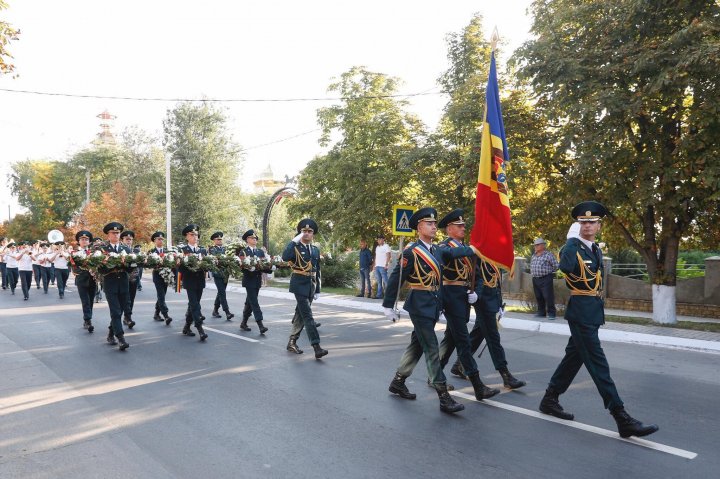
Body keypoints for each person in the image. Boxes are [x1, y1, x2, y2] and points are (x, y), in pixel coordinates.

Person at [539, 201, 658, 438]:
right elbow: (566, 267)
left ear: (599, 225)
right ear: (578, 225)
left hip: (592, 311)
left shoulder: (594, 249)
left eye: (592, 222)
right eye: (583, 222)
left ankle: (549, 399)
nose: (587, 226)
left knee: (574, 357)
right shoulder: (572, 247)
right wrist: (571, 241)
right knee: (598, 365)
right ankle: (621, 416)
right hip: (581, 313)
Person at [382, 207, 479, 414]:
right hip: (419, 305)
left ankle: (398, 381)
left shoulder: (437, 250)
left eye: (435, 224)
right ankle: (444, 397)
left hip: (433, 304)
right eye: (429, 223)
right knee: (432, 348)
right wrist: (388, 305)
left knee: (417, 344)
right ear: (419, 227)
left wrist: (478, 247)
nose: (434, 227)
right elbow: (396, 278)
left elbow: (457, 252)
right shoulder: (411, 252)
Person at [434, 209, 503, 399]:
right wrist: (473, 249)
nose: (463, 228)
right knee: (463, 342)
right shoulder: (445, 246)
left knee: (451, 339)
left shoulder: (466, 249)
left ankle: (434, 375)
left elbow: (477, 276)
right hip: (451, 298)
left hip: (463, 298)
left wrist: (475, 293)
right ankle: (478, 385)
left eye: (464, 225)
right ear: (449, 229)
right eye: (459, 226)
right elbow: (448, 255)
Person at [444, 251, 527, 390]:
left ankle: (459, 365)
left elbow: (496, 282)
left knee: (478, 334)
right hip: (482, 301)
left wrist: (500, 303)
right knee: (493, 338)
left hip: (491, 301)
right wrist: (477, 295)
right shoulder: (478, 255)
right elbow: (476, 278)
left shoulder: (492, 256)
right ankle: (505, 375)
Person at [283, 218, 327, 359]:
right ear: (300, 233)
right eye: (304, 231)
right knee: (308, 316)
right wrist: (293, 241)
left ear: (313, 234)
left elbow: (317, 269)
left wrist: (318, 289)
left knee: (301, 314)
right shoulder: (295, 247)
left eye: (310, 231)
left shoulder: (314, 250)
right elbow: (285, 257)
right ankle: (316, 347)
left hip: (311, 285)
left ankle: (292, 342)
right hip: (299, 284)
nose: (307, 234)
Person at [100, 222, 131, 351]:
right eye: (113, 233)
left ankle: (111, 333)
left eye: (118, 233)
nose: (116, 235)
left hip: (123, 283)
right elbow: (100, 269)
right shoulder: (103, 250)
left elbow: (130, 269)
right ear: (108, 235)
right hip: (110, 284)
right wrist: (109, 265)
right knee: (115, 311)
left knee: (122, 310)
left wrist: (127, 265)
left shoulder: (127, 249)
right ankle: (121, 338)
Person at [178, 224, 208, 341]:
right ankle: (200, 329)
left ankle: (186, 327)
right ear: (187, 237)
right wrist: (189, 266)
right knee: (195, 305)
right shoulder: (183, 250)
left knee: (193, 304)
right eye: (192, 235)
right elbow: (179, 268)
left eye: (196, 235)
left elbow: (207, 266)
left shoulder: (202, 250)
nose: (195, 237)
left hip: (200, 280)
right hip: (189, 281)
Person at [239, 229, 268, 334]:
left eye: (255, 238)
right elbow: (241, 266)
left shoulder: (260, 252)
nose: (254, 239)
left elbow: (264, 265)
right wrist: (248, 268)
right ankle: (260, 325)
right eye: (252, 238)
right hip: (249, 280)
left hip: (257, 280)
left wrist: (270, 268)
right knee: (254, 302)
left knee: (250, 302)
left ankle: (243, 322)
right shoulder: (243, 252)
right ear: (247, 239)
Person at [73, 231, 96, 332]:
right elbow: (73, 267)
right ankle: (88, 320)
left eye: (86, 239)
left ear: (90, 241)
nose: (84, 241)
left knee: (91, 300)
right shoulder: (75, 253)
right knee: (85, 300)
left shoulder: (94, 253)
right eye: (82, 239)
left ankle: (87, 319)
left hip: (93, 279)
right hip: (81, 279)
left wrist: (95, 271)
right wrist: (84, 270)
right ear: (79, 241)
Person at [530, 237, 559, 319]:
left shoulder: (548, 255)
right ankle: (541, 312)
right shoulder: (534, 255)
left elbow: (556, 266)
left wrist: (548, 272)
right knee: (538, 296)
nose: (535, 246)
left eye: (537, 245)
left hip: (546, 278)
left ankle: (551, 314)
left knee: (548, 296)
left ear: (543, 245)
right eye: (535, 245)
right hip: (535, 278)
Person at [209, 231, 234, 321]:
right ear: (214, 241)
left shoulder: (226, 249)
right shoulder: (212, 249)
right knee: (222, 293)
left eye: (220, 239)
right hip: (217, 273)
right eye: (218, 239)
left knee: (220, 292)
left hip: (225, 274)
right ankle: (227, 312)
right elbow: (216, 259)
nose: (220, 241)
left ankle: (215, 310)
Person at [148, 231, 173, 325]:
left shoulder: (167, 251)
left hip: (166, 276)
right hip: (157, 276)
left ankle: (156, 313)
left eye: (162, 239)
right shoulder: (151, 252)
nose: (161, 241)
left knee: (162, 295)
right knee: (161, 295)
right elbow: (148, 264)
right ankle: (166, 315)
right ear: (155, 240)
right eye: (159, 239)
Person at [120, 230, 139, 329]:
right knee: (125, 299)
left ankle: (127, 317)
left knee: (131, 298)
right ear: (122, 239)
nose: (129, 241)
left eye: (131, 239)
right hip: (124, 278)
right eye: (127, 239)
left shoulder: (135, 251)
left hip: (134, 278)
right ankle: (126, 317)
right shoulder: (121, 250)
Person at [373, 234, 391, 299]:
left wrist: (386, 264)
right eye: (378, 239)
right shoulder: (377, 247)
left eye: (381, 239)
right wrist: (374, 265)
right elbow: (376, 256)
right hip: (377, 266)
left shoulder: (386, 246)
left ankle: (388, 295)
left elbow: (388, 255)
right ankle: (379, 295)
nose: (379, 240)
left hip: (383, 266)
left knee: (386, 281)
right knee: (379, 282)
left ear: (383, 239)